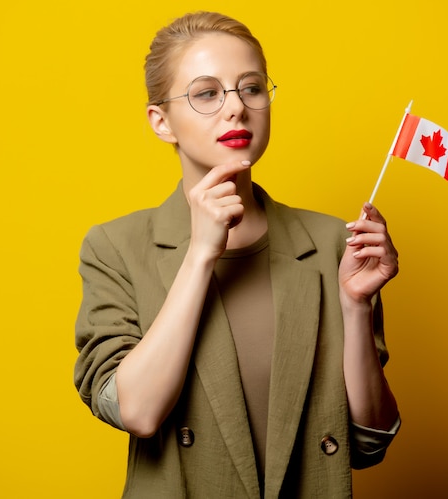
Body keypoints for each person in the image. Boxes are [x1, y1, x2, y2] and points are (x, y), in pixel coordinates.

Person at [74, 11, 401, 499]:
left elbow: (368, 442)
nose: (236, 109)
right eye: (206, 93)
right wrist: (202, 252)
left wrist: (355, 307)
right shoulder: (115, 247)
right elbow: (137, 412)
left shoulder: (334, 241)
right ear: (161, 121)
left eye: (251, 87)